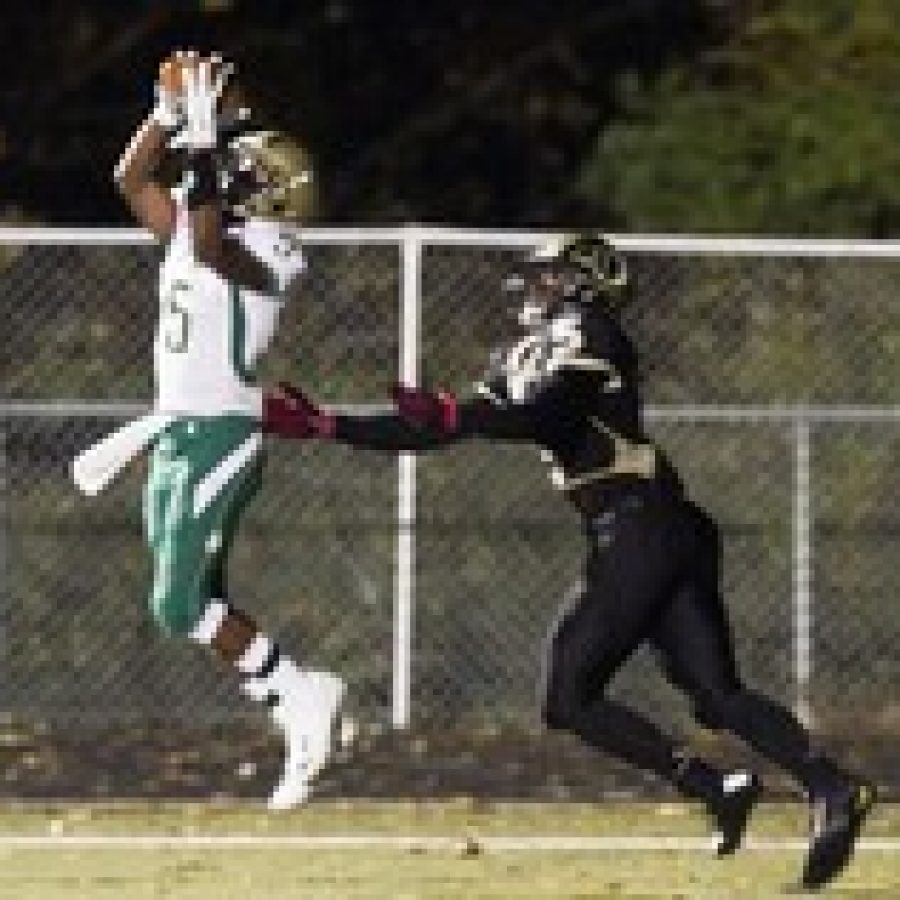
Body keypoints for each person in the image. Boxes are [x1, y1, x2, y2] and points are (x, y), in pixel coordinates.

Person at [262, 234, 875, 889]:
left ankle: (713, 784)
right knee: (715, 695)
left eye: (551, 278)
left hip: (641, 527)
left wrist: (455, 415)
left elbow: (551, 415)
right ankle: (823, 787)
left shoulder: (594, 333)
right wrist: (335, 426)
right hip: (656, 526)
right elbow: (448, 426)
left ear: (586, 283)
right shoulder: (535, 350)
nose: (537, 288)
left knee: (569, 696)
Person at [112, 50, 344, 809]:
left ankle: (299, 698)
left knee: (177, 605)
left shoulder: (271, 252)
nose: (220, 177)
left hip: (220, 433)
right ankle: (296, 694)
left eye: (237, 172)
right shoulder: (200, 229)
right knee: (186, 599)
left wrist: (208, 137)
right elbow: (130, 180)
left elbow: (213, 247)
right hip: (177, 429)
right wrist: (169, 117)